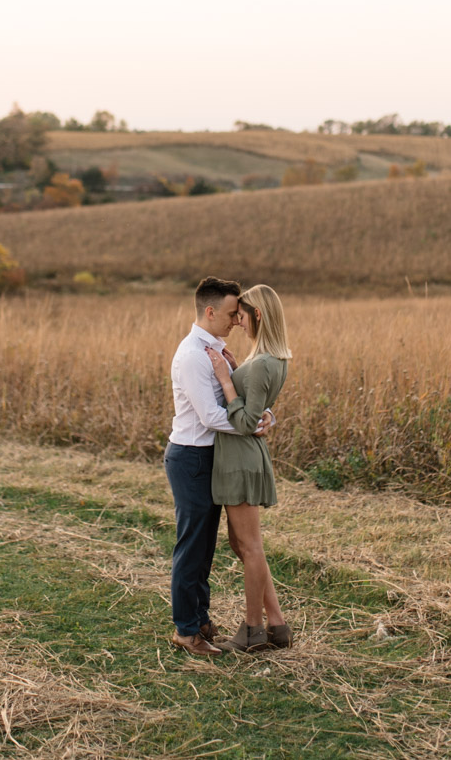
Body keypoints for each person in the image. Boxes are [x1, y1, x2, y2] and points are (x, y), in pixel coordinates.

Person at [165, 276, 274, 657]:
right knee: (192, 545)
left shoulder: (218, 350)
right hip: (192, 456)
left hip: (214, 456)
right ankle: (186, 630)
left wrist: (263, 418)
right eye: (230, 313)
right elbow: (211, 415)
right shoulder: (193, 355)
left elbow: (240, 400)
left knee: (206, 546)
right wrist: (250, 427)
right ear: (209, 312)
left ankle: (201, 619)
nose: (235, 320)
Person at [206, 284, 292, 652]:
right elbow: (257, 406)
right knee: (242, 545)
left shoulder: (261, 365)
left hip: (241, 458)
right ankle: (277, 624)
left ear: (257, 314)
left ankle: (253, 631)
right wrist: (238, 370)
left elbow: (243, 421)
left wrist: (226, 379)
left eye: (241, 315)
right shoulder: (271, 359)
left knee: (250, 546)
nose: (237, 322)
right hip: (242, 457)